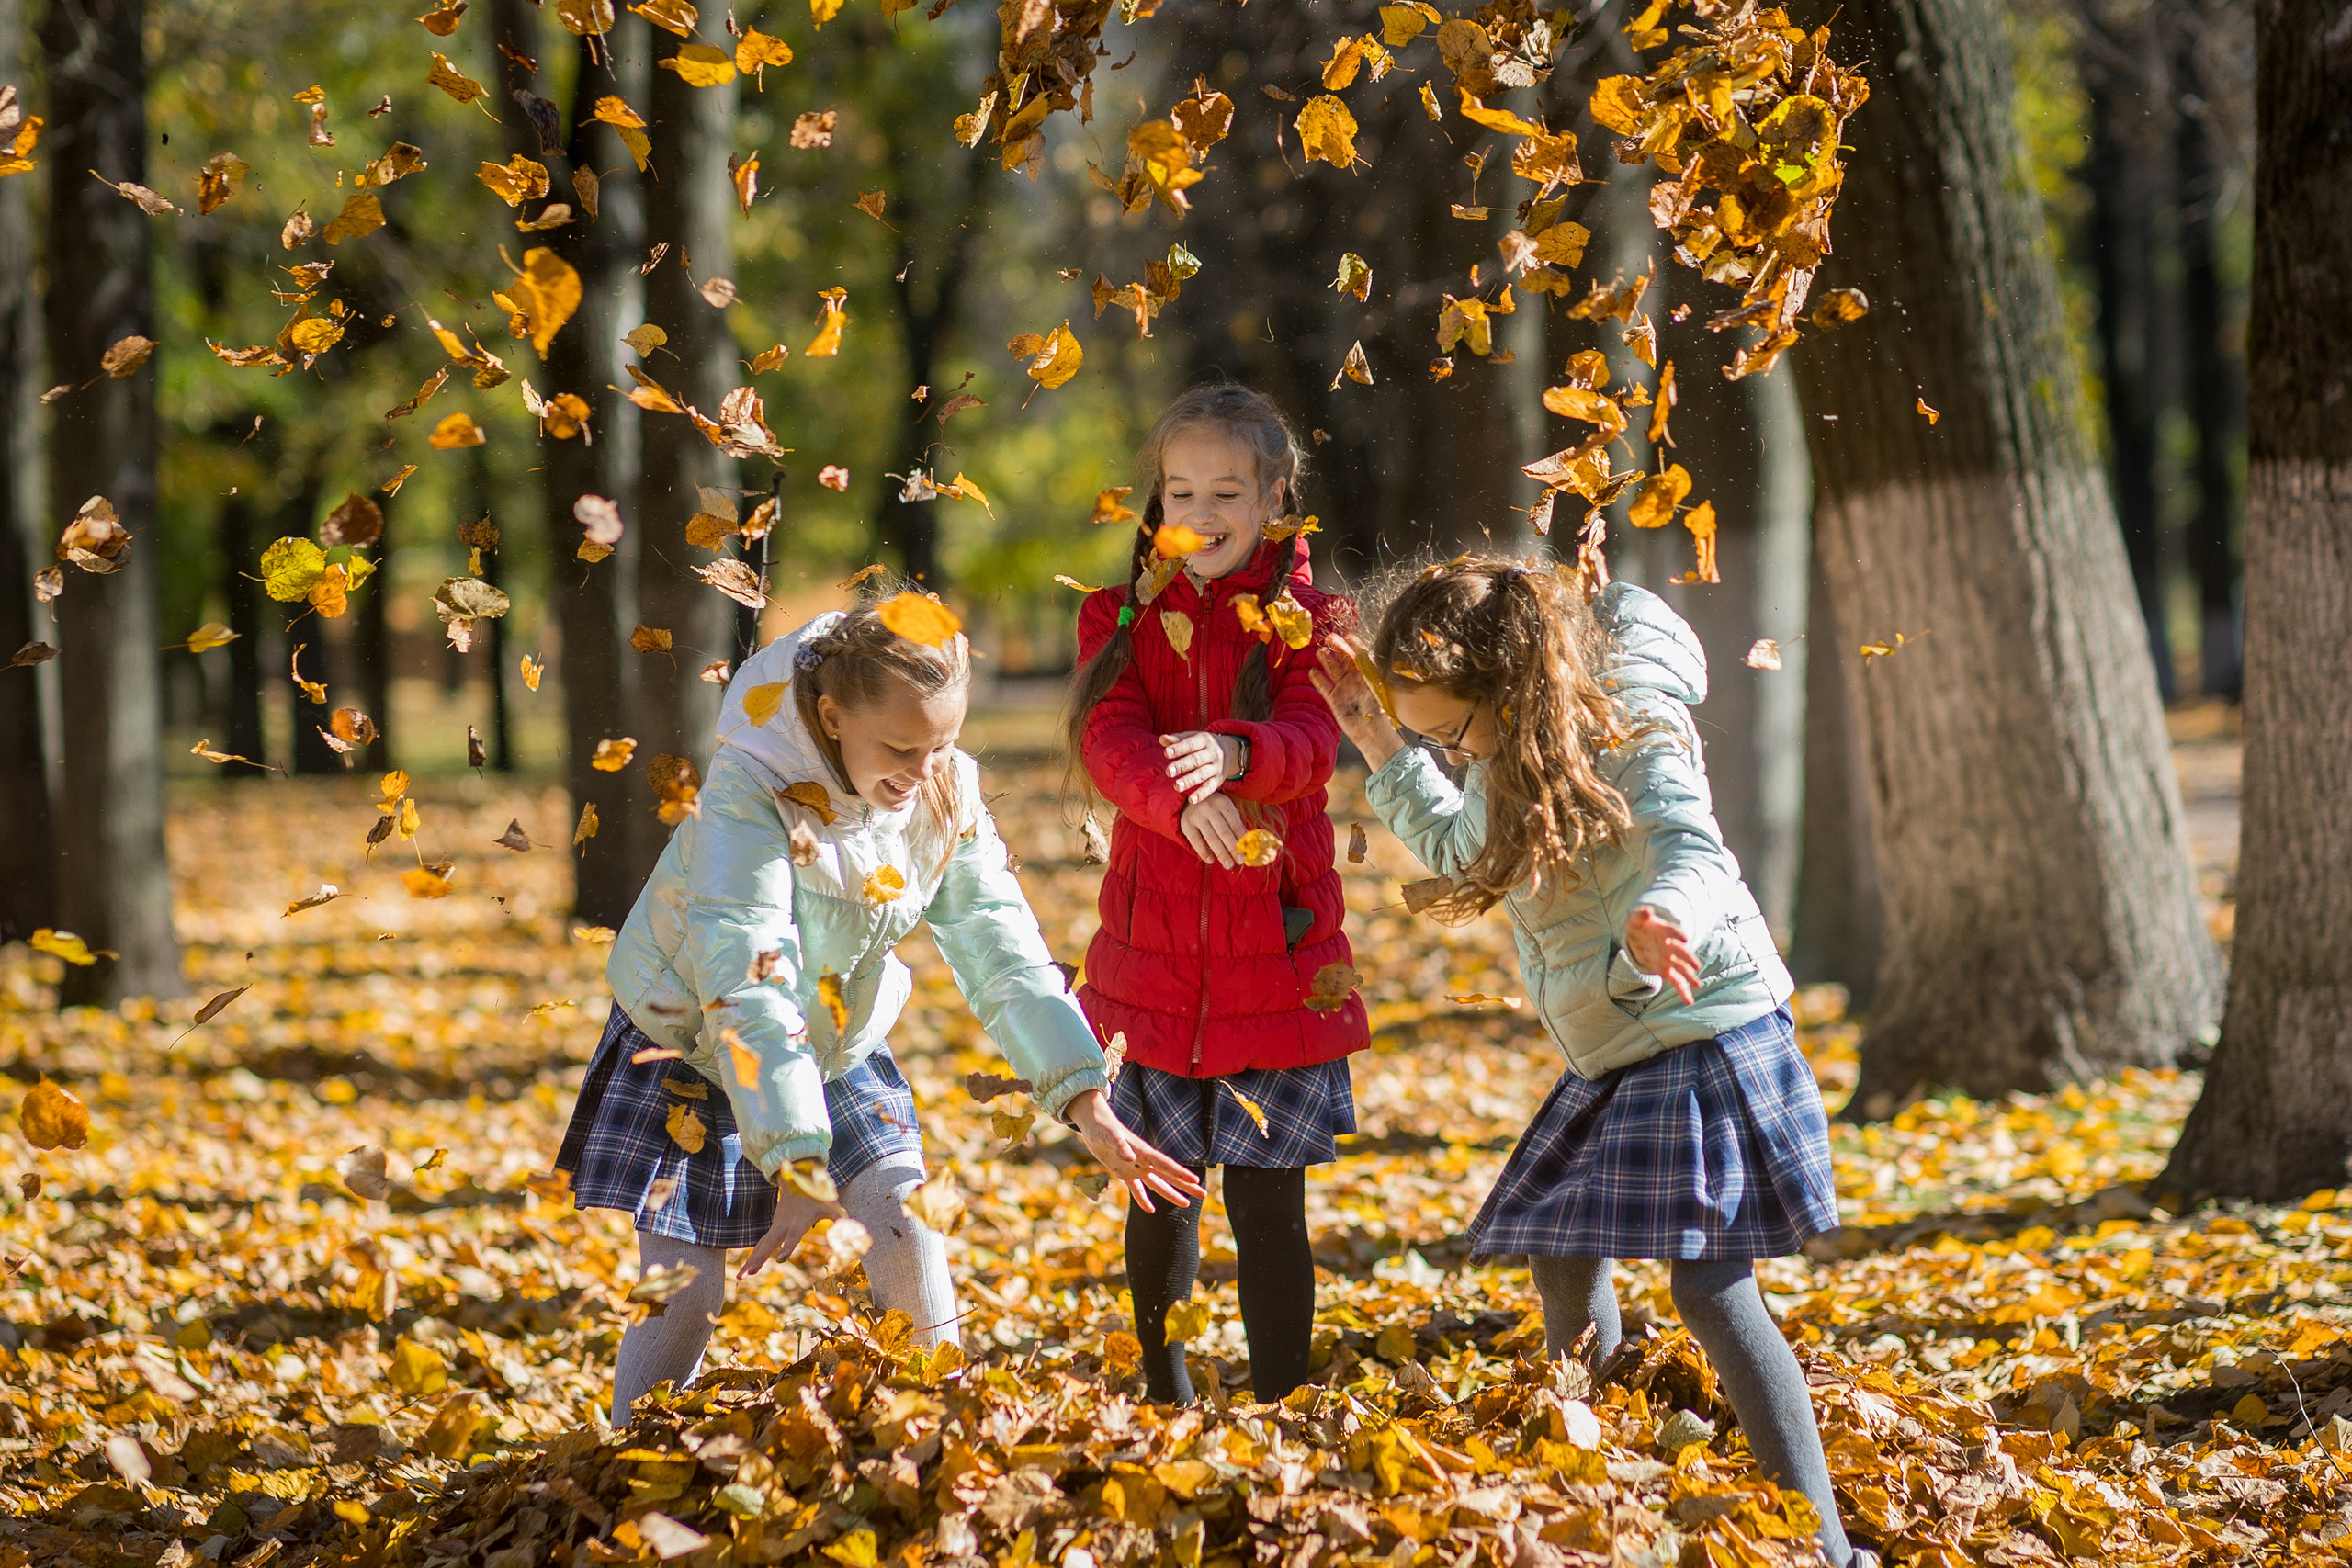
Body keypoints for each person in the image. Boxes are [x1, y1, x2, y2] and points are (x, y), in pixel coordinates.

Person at [1311, 556, 1867, 1568]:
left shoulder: (1629, 730)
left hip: (1701, 1024)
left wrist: (1665, 916)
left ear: (1508, 684)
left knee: (1709, 1289)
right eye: (1431, 733)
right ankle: (1604, 1488)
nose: (1449, 748)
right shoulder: (1500, 756)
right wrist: (1380, 739)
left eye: (1451, 729)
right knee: (1560, 1254)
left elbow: (1693, 850)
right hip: (1619, 1030)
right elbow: (1458, 847)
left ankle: (1827, 1550)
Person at [554, 594, 1202, 1427]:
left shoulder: (943, 788)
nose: (925, 768)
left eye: (942, 742)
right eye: (901, 745)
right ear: (830, 714)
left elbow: (999, 946)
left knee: (908, 1231)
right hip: (694, 1038)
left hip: (835, 1034)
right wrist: (796, 1160)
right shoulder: (750, 791)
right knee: (686, 1293)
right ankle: (623, 1474)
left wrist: (1085, 1098)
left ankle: (944, 1440)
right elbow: (751, 978)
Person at [1066, 383, 1371, 1405]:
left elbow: (1312, 743)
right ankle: (1168, 1391)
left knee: (1269, 1208)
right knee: (1161, 1203)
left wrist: (1230, 758)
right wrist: (1173, 797)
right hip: (1150, 954)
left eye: (1226, 491)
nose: (1198, 513)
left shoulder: (1311, 625)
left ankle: (1282, 1398)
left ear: (1275, 497)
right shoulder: (1114, 616)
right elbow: (1106, 738)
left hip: (1276, 960)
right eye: (1178, 489)